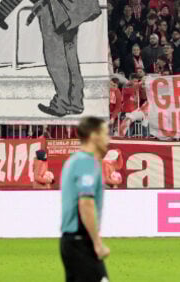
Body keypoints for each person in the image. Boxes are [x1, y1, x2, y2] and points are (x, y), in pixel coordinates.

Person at [60, 116, 110, 282]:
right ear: (94, 136)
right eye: (105, 134)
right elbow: (86, 203)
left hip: (73, 242)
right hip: (81, 241)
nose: (108, 139)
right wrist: (97, 242)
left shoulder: (74, 161)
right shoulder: (87, 163)